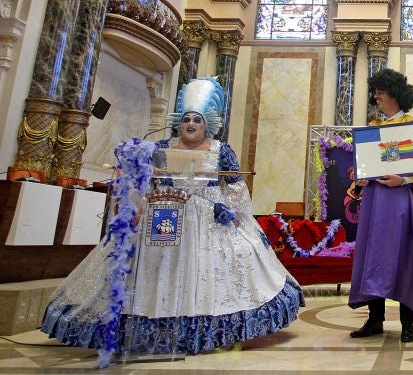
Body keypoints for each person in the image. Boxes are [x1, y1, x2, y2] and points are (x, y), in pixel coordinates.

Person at [41, 77, 303, 355]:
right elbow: (140, 182)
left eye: (197, 120)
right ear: (179, 120)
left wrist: (237, 213)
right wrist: (134, 204)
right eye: (187, 118)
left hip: (209, 222)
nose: (191, 124)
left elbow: (236, 185)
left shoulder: (221, 150)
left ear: (207, 123)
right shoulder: (160, 147)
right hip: (163, 217)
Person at [348, 69, 413, 343]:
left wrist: (403, 179)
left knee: (405, 255)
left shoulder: (412, 124)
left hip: (402, 199)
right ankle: (375, 320)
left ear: (394, 94)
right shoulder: (372, 128)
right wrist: (360, 174)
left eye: (380, 92)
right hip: (375, 201)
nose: (376, 97)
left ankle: (408, 323)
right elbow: (366, 167)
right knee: (375, 256)